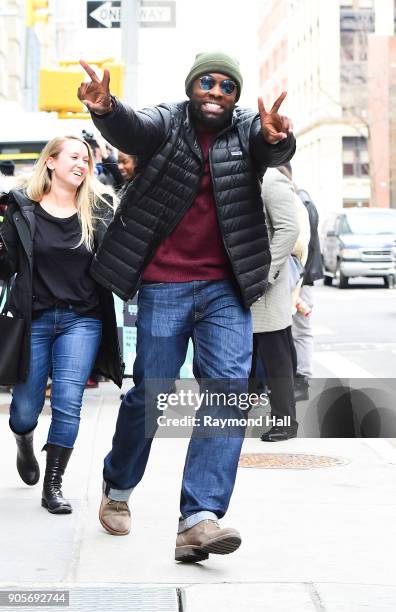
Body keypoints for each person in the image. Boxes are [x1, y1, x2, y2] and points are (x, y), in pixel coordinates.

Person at [77, 51, 295, 561]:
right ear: (191, 87)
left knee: (226, 394)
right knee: (152, 398)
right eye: (207, 83)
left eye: (226, 86)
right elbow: (133, 130)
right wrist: (106, 108)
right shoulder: (167, 121)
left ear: (236, 96)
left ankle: (198, 518)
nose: (216, 92)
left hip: (225, 288)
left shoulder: (248, 131)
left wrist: (277, 137)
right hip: (164, 286)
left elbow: (269, 151)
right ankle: (119, 486)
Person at [0, 136, 123, 514]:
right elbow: (6, 268)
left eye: (86, 159)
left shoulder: (99, 210)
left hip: (81, 320)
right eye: (74, 157)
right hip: (33, 320)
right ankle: (24, 439)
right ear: (50, 162)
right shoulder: (23, 210)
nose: (82, 164)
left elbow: (119, 259)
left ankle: (53, 485)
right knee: (24, 409)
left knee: (69, 403)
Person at [251, 166, 300, 442]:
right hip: (242, 288)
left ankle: (285, 422)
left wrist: (266, 274)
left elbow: (289, 229)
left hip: (267, 291)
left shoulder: (271, 178)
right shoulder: (240, 174)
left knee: (276, 360)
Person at [293, 188, 323, 401]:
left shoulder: (299, 201)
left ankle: (302, 378)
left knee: (300, 329)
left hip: (300, 276)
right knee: (300, 329)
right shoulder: (305, 199)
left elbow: (305, 244)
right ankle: (301, 377)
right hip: (304, 275)